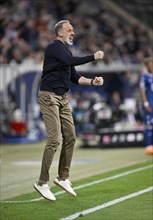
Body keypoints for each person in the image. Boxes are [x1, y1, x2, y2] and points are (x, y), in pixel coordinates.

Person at [34, 20, 104, 201]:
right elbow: (70, 61)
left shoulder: (66, 50)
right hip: (49, 96)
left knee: (71, 136)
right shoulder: (54, 47)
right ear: (59, 33)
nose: (73, 32)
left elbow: (75, 77)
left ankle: (63, 177)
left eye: (73, 29)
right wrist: (93, 57)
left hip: (63, 98)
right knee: (54, 139)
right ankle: (42, 182)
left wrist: (92, 82)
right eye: (69, 30)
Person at [139, 57, 153, 155]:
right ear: (146, 65)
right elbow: (142, 91)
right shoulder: (144, 77)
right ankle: (148, 147)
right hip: (149, 104)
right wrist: (146, 103)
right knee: (148, 125)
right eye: (150, 63)